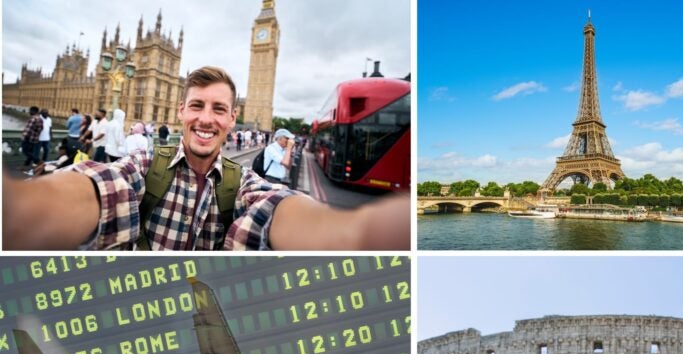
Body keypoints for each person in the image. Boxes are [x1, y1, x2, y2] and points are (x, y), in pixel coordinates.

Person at [2, 65, 409, 251]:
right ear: (181, 112)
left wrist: (355, 235)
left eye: (219, 108)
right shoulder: (144, 165)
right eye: (196, 105)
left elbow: (277, 208)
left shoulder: (243, 182)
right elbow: (102, 186)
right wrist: (23, 210)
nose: (205, 118)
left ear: (233, 118)